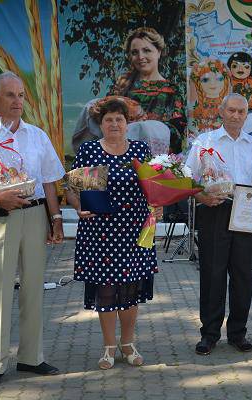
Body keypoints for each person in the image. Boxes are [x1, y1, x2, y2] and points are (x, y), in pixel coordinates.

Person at [0, 71, 65, 387]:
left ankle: (31, 357)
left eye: (21, 95)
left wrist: (56, 219)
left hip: (34, 216)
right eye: (10, 95)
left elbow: (49, 181)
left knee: (33, 288)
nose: (18, 101)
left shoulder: (37, 135)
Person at [66, 99, 163, 369]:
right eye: (109, 119)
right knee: (106, 290)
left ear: (127, 123)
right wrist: (79, 207)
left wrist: (158, 205)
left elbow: (153, 186)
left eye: (119, 119)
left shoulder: (140, 150)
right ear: (101, 124)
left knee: (130, 290)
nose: (114, 124)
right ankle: (109, 347)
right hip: (100, 233)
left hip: (135, 232)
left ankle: (128, 344)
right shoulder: (89, 151)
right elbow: (72, 190)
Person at [185, 93, 252, 355]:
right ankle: (209, 334)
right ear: (221, 112)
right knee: (213, 274)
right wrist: (202, 196)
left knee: (244, 275)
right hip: (215, 210)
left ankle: (237, 333)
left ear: (246, 115)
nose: (236, 115)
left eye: (241, 111)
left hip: (247, 212)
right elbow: (187, 177)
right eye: (231, 110)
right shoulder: (205, 141)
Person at [109, 27, 186, 153]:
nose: (141, 56)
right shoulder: (121, 86)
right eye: (135, 52)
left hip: (156, 159)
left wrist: (147, 126)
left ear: (159, 52)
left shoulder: (172, 91)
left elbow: (177, 134)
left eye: (146, 50)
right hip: (120, 154)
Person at [188, 58, 232, 136]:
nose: (212, 83)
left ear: (225, 81)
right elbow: (193, 128)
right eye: (205, 80)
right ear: (198, 83)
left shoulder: (228, 104)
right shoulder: (195, 104)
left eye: (219, 79)